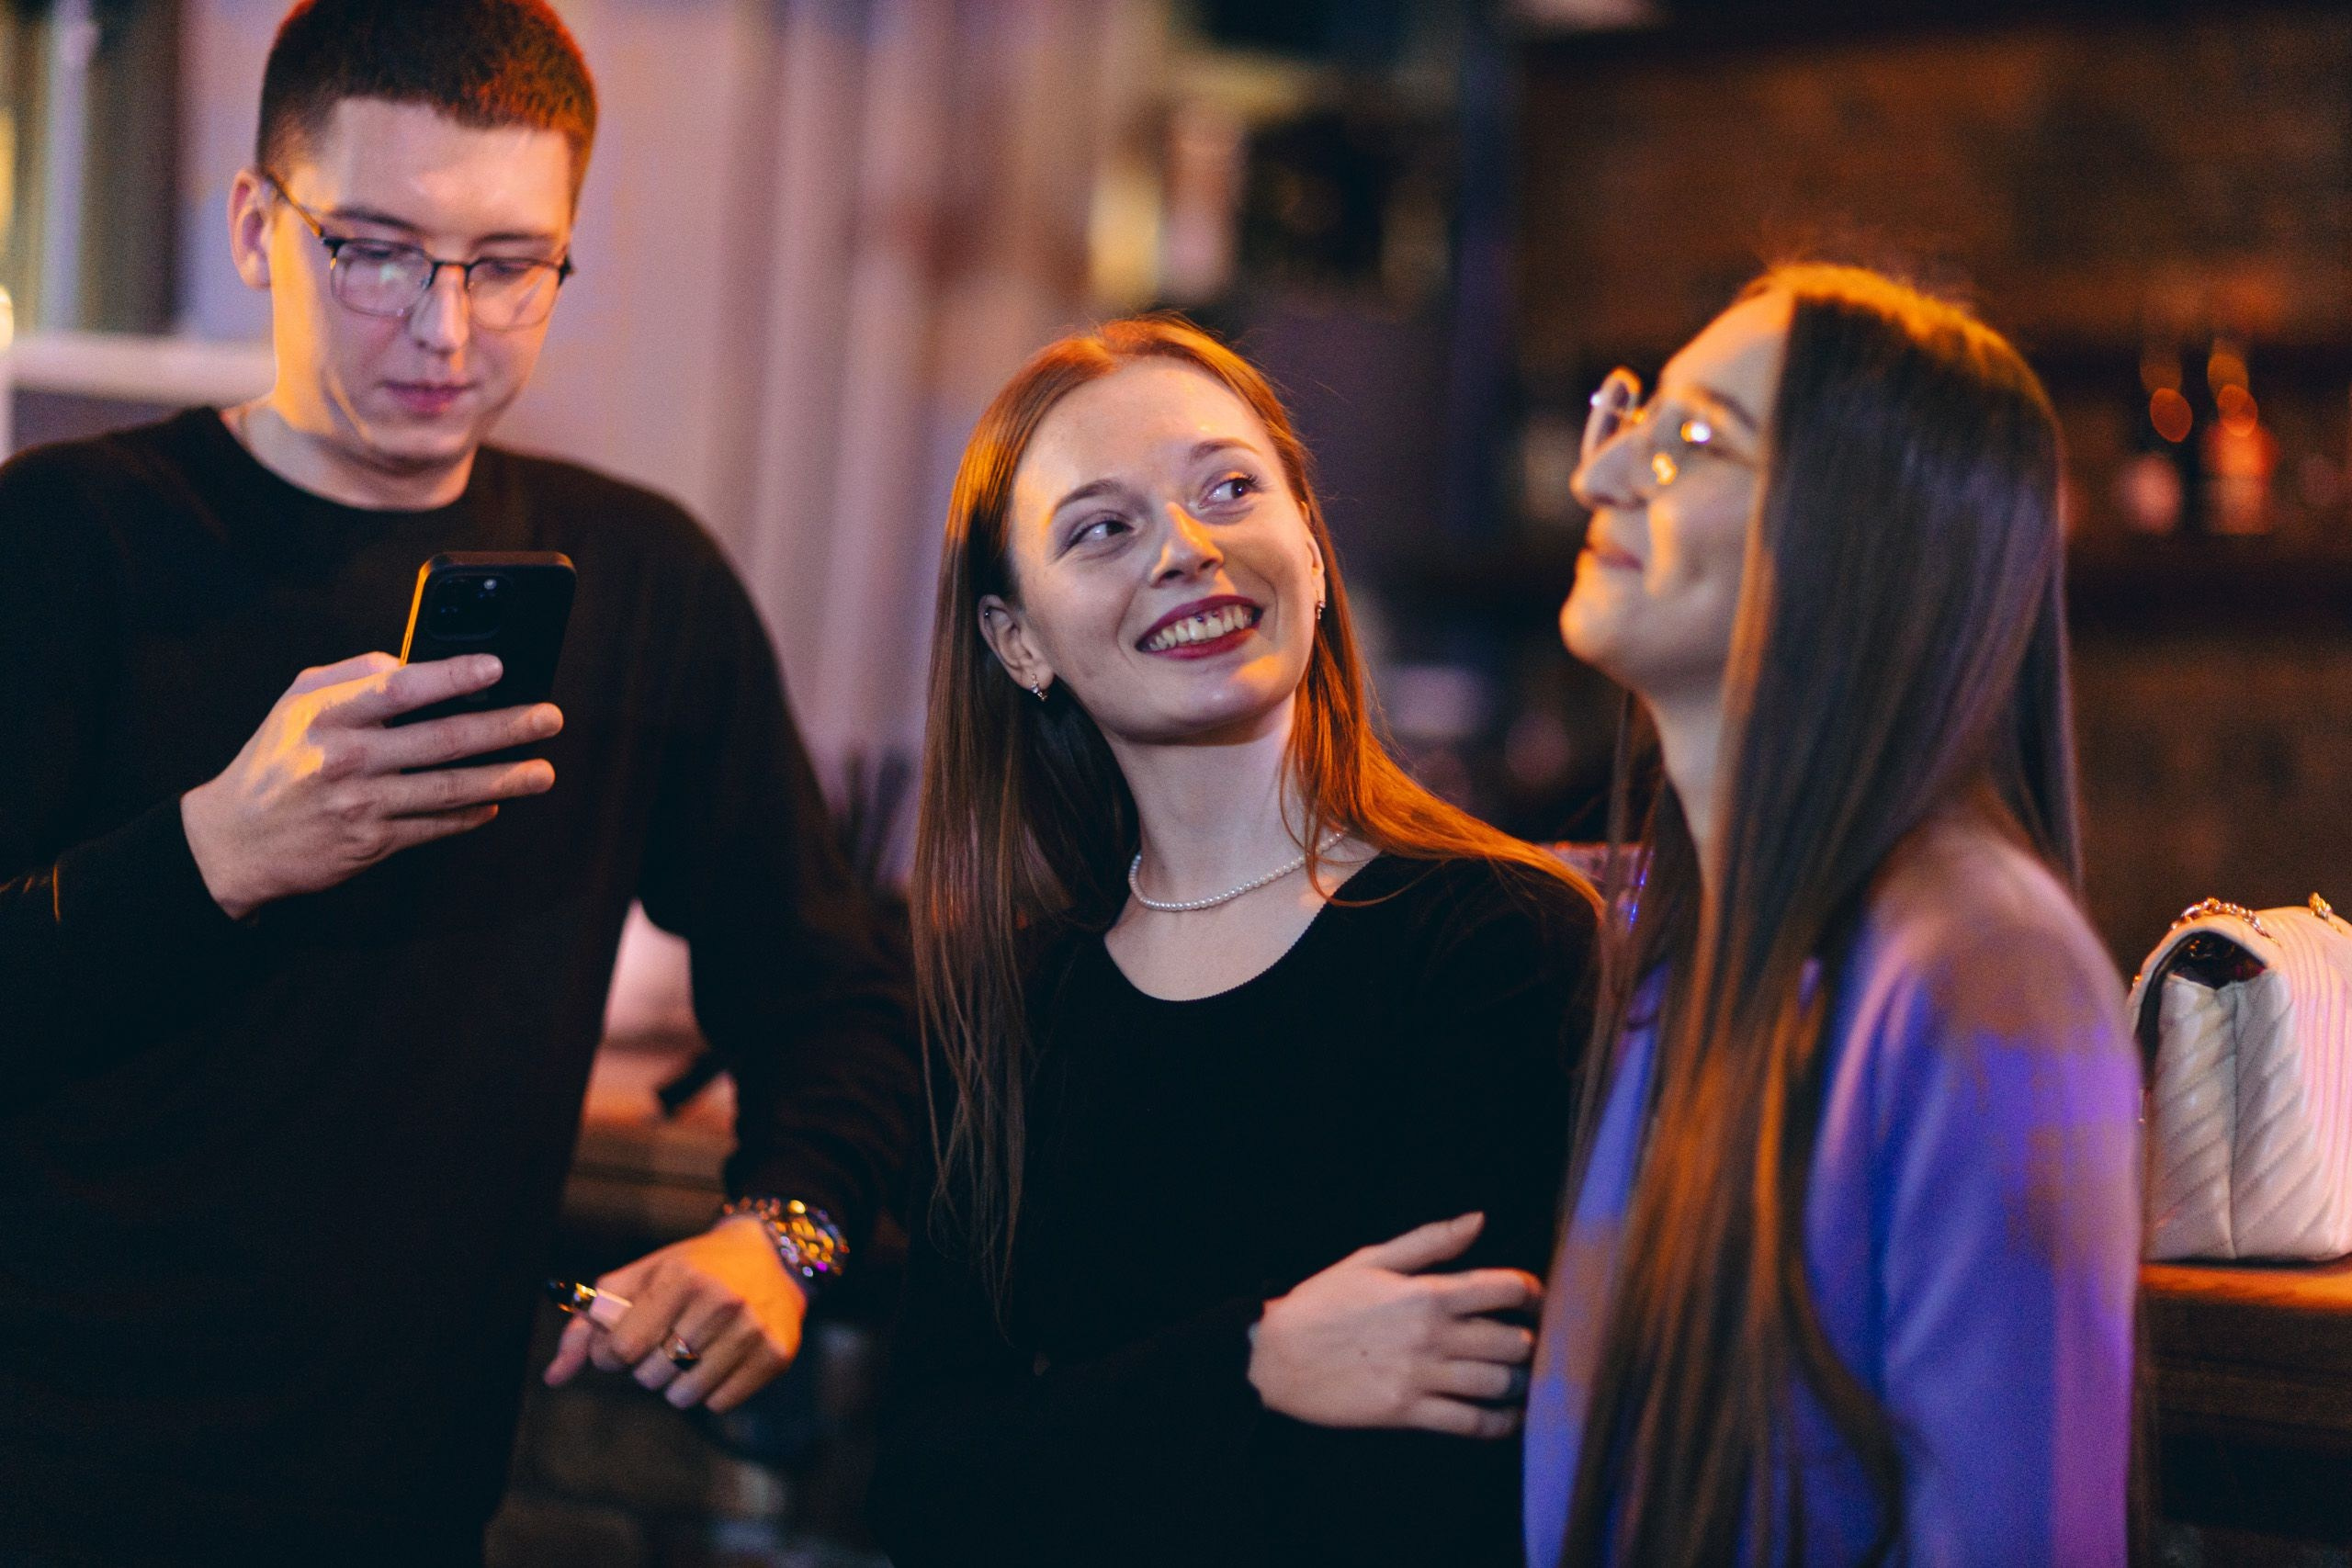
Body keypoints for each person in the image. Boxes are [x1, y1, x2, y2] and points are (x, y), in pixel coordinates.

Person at [0, 2, 917, 1561]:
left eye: (509, 264)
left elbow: (830, 991)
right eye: (374, 250)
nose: (445, 330)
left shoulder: (643, 580)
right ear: (254, 226)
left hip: (407, 1492)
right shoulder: (65, 540)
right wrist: (215, 853)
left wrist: (786, 1236)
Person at [867, 316, 1600, 1567]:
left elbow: (1440, 1472)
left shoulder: (1497, 942)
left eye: (1229, 489)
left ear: (1310, 546)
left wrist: (1093, 1427)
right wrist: (1258, 1363)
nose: (1188, 551)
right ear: (1018, 642)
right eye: (1104, 528)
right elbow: (930, 1491)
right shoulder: (1011, 999)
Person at [1525, 264, 2141, 1566]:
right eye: (1633, 416)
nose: (1605, 473)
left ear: (1862, 537)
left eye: (1694, 441)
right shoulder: (1686, 950)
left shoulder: (1985, 961)